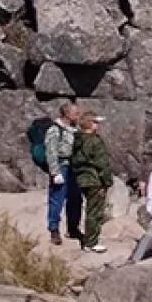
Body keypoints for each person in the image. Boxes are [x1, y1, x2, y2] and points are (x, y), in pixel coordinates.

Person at [71, 113, 113, 253]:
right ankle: (91, 242)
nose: (97, 125)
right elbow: (102, 164)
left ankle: (87, 239)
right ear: (89, 123)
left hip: (82, 178)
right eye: (95, 122)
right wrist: (106, 182)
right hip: (95, 180)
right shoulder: (95, 141)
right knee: (95, 211)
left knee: (89, 209)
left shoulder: (77, 138)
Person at [44, 102, 83, 245]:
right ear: (66, 114)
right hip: (61, 166)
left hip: (74, 167)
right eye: (75, 113)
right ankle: (54, 229)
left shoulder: (75, 129)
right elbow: (51, 152)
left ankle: (73, 228)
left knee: (76, 198)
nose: (78, 115)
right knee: (57, 199)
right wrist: (55, 172)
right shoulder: (54, 130)